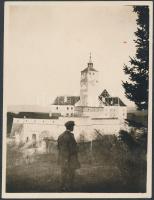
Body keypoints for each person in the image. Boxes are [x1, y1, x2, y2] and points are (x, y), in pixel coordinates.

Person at [57, 121, 80, 192]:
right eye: (73, 126)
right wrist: (77, 148)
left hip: (62, 158)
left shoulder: (61, 135)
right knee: (71, 174)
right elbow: (70, 148)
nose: (73, 128)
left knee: (63, 173)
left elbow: (58, 147)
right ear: (70, 127)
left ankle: (62, 187)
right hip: (70, 159)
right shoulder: (69, 136)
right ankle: (70, 188)